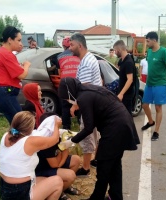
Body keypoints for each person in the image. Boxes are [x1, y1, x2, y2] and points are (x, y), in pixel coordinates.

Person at [58, 77, 140, 200]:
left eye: (66, 98)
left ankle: (97, 197)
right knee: (114, 164)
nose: (68, 101)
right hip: (123, 123)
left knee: (104, 165)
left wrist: (71, 141)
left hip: (115, 128)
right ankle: (115, 196)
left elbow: (88, 128)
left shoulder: (83, 98)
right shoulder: (87, 89)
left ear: (69, 92)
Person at [0, 111, 63, 200]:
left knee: (44, 179)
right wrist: (56, 125)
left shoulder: (6, 135)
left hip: (4, 189)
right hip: (20, 192)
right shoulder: (29, 141)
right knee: (58, 181)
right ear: (30, 128)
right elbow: (55, 139)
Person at [68, 33, 102, 177]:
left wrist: (75, 105)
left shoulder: (87, 62)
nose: (70, 48)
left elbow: (85, 88)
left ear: (80, 46)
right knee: (96, 134)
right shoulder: (88, 59)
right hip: (95, 103)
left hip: (90, 105)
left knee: (86, 135)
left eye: (72, 45)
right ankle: (97, 160)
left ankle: (86, 168)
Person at [35, 112, 81, 200]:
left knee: (76, 160)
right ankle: (57, 192)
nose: (59, 124)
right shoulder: (46, 140)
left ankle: (64, 187)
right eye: (57, 123)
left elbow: (62, 150)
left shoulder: (56, 134)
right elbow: (55, 164)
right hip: (43, 169)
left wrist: (63, 150)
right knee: (70, 175)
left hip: (55, 161)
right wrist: (64, 150)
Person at [0, 26, 31, 124]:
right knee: (20, 123)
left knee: (16, 123)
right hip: (5, 93)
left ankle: (14, 137)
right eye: (19, 40)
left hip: (2, 92)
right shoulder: (6, 54)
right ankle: (15, 139)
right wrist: (26, 65)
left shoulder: (3, 52)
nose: (21, 43)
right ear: (9, 40)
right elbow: (22, 75)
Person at [141, 31, 166, 141]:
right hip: (149, 83)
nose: (147, 42)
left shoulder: (163, 51)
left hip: (160, 84)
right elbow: (144, 53)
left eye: (148, 40)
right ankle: (151, 122)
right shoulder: (149, 52)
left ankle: (156, 131)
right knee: (145, 105)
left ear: (154, 40)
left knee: (158, 107)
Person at [57, 37, 80, 130]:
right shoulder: (77, 54)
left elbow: (59, 72)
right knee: (78, 103)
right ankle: (80, 123)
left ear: (63, 46)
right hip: (76, 83)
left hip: (65, 83)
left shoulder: (59, 56)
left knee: (65, 106)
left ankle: (66, 127)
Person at [113, 40, 136, 114]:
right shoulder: (122, 61)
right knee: (122, 116)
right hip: (122, 92)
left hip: (127, 94)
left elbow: (130, 79)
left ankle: (130, 126)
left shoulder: (128, 62)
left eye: (115, 50)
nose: (115, 52)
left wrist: (121, 94)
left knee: (127, 116)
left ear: (119, 50)